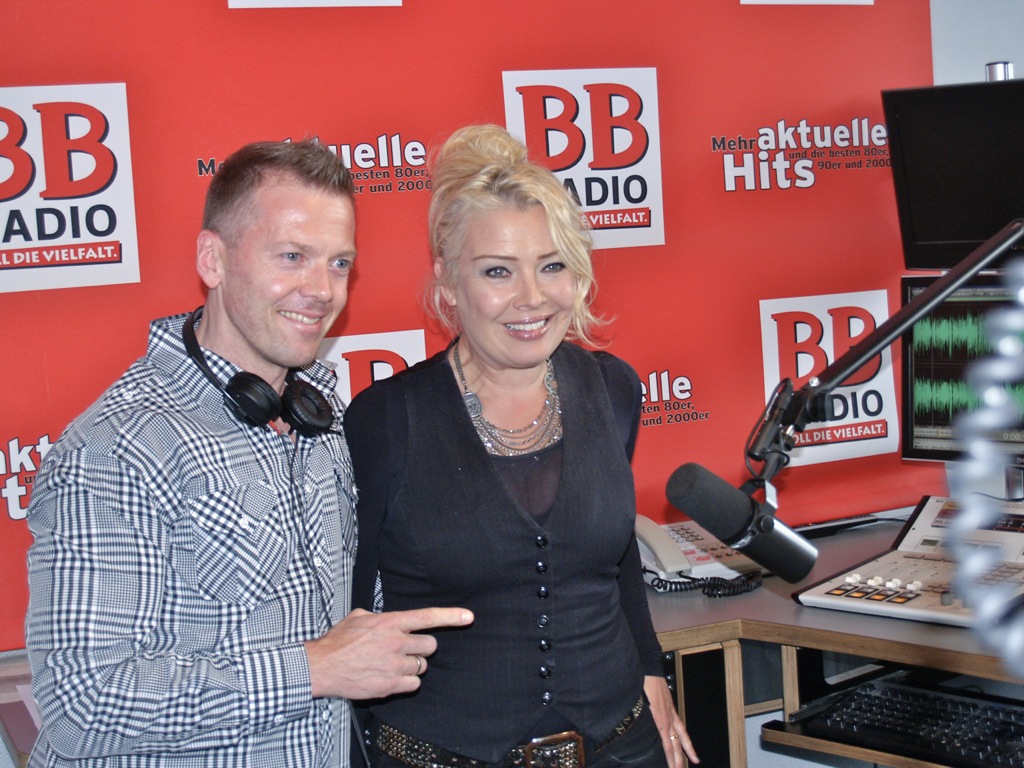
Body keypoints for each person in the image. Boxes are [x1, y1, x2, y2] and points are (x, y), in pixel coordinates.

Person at [24, 139, 472, 768]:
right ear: (213, 259)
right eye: (292, 256)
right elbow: (81, 707)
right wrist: (313, 669)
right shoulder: (121, 445)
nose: (322, 289)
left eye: (339, 263)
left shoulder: (317, 414)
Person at [344, 125, 699, 768]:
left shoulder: (613, 389)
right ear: (448, 281)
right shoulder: (385, 421)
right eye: (497, 271)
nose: (532, 297)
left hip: (621, 746)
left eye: (552, 265)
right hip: (443, 755)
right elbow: (348, 614)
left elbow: (615, 560)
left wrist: (652, 672)